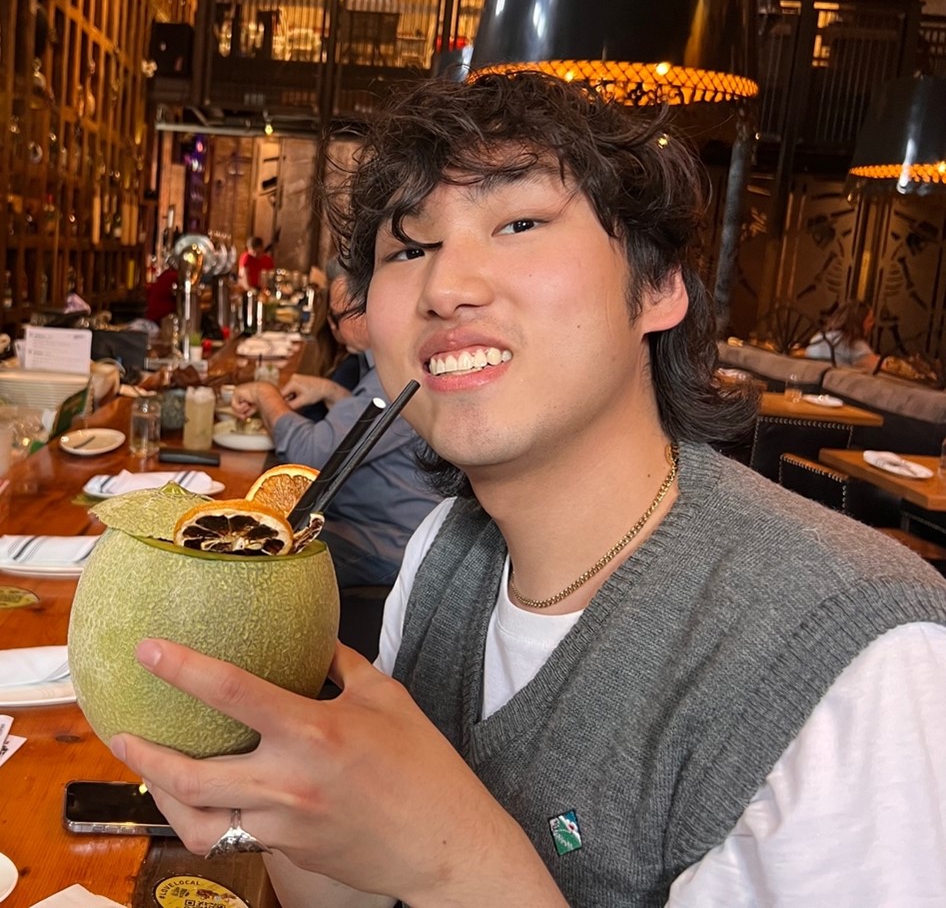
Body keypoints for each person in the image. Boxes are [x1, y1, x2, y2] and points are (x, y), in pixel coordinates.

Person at [109, 72, 946, 908]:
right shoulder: (445, 553)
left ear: (657, 287)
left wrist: (451, 858)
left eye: (519, 222)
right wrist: (248, 776)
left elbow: (428, 863)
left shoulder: (862, 657)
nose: (445, 289)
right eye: (408, 248)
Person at [230, 267, 440, 587]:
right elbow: (376, 425)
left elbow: (311, 457)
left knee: (253, 559)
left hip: (392, 541)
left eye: (337, 316)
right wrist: (331, 392)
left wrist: (264, 393)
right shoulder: (385, 368)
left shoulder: (393, 374)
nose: (335, 329)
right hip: (378, 526)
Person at [805, 298, 880, 370]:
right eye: (870, 320)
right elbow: (877, 368)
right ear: (859, 321)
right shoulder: (852, 343)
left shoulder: (818, 338)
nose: (873, 324)